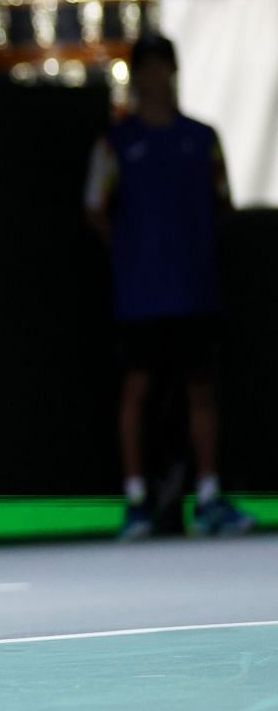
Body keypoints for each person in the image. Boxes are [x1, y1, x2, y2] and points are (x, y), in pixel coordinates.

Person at [85, 32, 257, 540]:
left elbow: (222, 201)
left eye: (164, 67)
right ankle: (136, 498)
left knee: (201, 386)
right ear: (136, 77)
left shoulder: (203, 139)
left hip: (194, 286)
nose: (155, 78)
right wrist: (131, 253)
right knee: (137, 387)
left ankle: (207, 498)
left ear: (174, 73)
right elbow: (93, 207)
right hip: (141, 294)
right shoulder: (114, 143)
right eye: (147, 68)